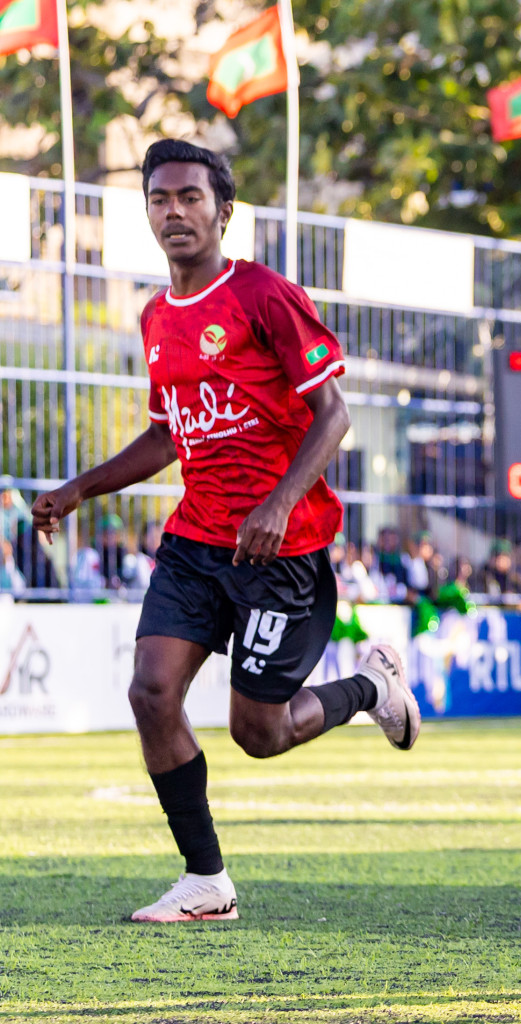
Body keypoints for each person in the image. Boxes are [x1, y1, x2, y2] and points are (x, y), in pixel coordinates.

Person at [30, 140, 419, 924]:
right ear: (147, 211)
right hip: (196, 543)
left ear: (223, 211)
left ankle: (371, 686)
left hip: (285, 553)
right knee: (150, 691)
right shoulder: (153, 317)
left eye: (190, 197)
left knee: (259, 733)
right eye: (160, 199)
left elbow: (333, 414)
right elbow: (166, 435)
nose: (174, 211)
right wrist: (79, 488)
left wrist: (277, 502)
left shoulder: (265, 296)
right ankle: (205, 880)